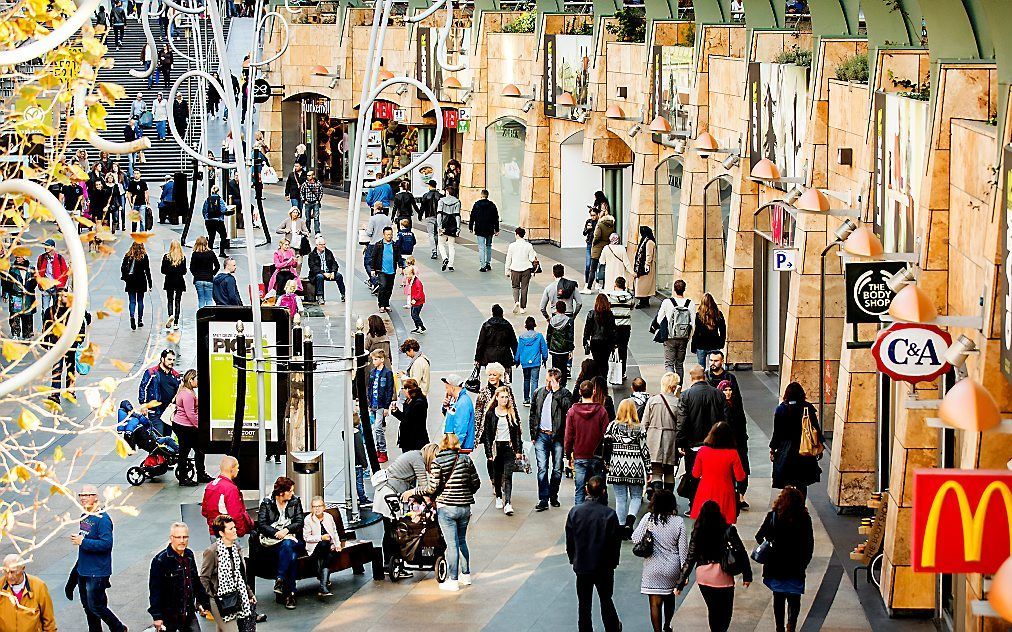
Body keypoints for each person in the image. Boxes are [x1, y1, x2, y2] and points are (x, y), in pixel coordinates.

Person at [408, 433, 481, 591]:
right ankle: (466, 575)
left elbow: (432, 488)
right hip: (464, 507)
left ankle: (453, 580)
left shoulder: (438, 462)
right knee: (462, 541)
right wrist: (465, 493)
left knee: (451, 544)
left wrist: (415, 491)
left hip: (446, 507)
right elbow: (476, 483)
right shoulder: (467, 460)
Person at [676, 500, 752, 632]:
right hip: (723, 575)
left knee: (713, 609)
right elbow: (741, 552)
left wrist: (680, 583)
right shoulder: (728, 529)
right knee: (725, 612)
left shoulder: (698, 531)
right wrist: (747, 575)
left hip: (703, 575)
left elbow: (691, 558)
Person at [565, 475, 622, 632]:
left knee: (584, 604)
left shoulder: (575, 512)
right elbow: (615, 543)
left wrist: (573, 559)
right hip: (604, 567)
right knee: (606, 600)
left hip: (582, 565)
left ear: (586, 490)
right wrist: (613, 563)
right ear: (603, 491)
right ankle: (613, 628)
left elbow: (570, 540)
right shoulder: (610, 514)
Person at [756, 486, 814, 632]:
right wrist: (804, 563)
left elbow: (759, 536)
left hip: (776, 565)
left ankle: (779, 627)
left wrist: (769, 543)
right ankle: (791, 626)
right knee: (794, 599)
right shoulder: (804, 519)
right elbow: (809, 544)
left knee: (778, 598)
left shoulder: (773, 516)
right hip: (796, 565)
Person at [71, 484, 127, 632]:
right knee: (88, 607)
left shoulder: (103, 519)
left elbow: (106, 544)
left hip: (97, 572)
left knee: (96, 605)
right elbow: (83, 545)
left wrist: (83, 542)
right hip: (84, 570)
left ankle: (118, 628)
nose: (83, 498)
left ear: (96, 497)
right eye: (81, 495)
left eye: (87, 495)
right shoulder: (84, 516)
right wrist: (73, 577)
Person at [631, 489, 687, 632]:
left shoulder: (649, 518)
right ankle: (667, 626)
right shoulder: (678, 522)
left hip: (652, 567)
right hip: (672, 568)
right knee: (669, 599)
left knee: (654, 604)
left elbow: (635, 538)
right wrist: (684, 573)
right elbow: (683, 549)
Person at [148, 522, 210, 632]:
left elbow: (195, 582)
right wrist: (157, 616)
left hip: (188, 613)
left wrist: (204, 602)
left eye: (185, 537)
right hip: (169, 616)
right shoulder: (161, 560)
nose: (182, 540)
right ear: (171, 538)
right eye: (178, 537)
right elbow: (155, 590)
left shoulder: (189, 555)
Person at [199, 515, 257, 631]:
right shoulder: (212, 552)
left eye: (234, 527)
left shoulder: (237, 548)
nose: (235, 530)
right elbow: (204, 578)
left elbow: (241, 575)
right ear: (221, 533)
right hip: (219, 600)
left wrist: (249, 593)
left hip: (236, 597)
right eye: (231, 529)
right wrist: (211, 596)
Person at [675, 367, 724, 502]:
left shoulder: (686, 395)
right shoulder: (718, 394)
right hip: (714, 444)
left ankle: (694, 503)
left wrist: (680, 442)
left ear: (691, 378)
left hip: (693, 444)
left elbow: (682, 421)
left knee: (693, 474)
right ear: (704, 377)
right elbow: (723, 419)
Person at [256, 477, 305, 609]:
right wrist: (276, 533)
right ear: (281, 492)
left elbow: (299, 522)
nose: (292, 494)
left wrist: (286, 530)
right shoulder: (267, 503)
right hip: (272, 540)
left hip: (291, 538)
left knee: (288, 544)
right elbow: (262, 524)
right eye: (290, 491)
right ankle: (291, 593)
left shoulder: (295, 501)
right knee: (292, 557)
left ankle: (280, 579)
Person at [604, 398, 650, 537]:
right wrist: (648, 469)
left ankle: (620, 525)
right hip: (635, 467)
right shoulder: (639, 428)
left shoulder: (612, 426)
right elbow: (644, 449)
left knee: (620, 498)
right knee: (636, 496)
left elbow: (606, 446)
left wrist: (607, 463)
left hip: (617, 466)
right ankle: (630, 522)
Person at [771, 382, 825, 498]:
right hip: (804, 452)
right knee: (802, 484)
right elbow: (816, 429)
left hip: (786, 452)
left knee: (787, 483)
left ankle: (788, 506)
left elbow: (777, 433)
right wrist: (819, 447)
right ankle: (801, 507)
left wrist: (772, 449)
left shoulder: (781, 410)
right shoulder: (808, 408)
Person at [529, 368, 571, 511]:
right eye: (547, 380)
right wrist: (533, 434)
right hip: (541, 434)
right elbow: (533, 413)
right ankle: (543, 498)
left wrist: (557, 392)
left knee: (557, 469)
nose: (548, 384)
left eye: (551, 381)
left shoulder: (565, 393)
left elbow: (568, 408)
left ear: (558, 380)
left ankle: (554, 495)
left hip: (557, 436)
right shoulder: (539, 393)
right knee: (542, 468)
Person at [691, 421, 746, 524]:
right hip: (725, 492)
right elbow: (740, 477)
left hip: (705, 491)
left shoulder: (702, 451)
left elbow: (695, 474)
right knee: (723, 524)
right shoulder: (733, 453)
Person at [481, 385, 523, 515]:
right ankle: (499, 496)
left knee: (508, 475)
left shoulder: (512, 413)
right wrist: (489, 453)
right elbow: (487, 434)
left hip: (508, 447)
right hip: (496, 447)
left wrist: (518, 450)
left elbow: (517, 433)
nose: (505, 400)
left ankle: (508, 502)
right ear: (497, 398)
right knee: (497, 474)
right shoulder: (490, 414)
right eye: (502, 397)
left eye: (506, 397)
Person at [565, 380, 609, 505]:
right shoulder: (601, 411)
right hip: (597, 455)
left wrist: (568, 454)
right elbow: (606, 435)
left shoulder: (573, 412)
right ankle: (600, 515)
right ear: (594, 392)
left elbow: (569, 435)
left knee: (579, 489)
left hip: (579, 454)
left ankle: (579, 516)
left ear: (580, 392)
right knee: (599, 488)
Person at [472, 362, 516, 480]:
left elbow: (513, 408)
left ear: (499, 376)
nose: (491, 377)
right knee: (490, 456)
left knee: (503, 456)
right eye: (490, 374)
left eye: (494, 375)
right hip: (488, 429)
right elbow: (478, 413)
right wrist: (476, 433)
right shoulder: (483, 392)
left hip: (504, 427)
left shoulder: (507, 390)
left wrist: (517, 427)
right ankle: (493, 480)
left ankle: (501, 477)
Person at [641, 372, 681, 492]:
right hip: (671, 439)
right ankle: (669, 502)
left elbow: (644, 423)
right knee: (669, 471)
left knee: (656, 471)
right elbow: (680, 424)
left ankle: (657, 501)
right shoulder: (678, 403)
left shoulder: (653, 400)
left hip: (653, 439)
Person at [650, 279, 696, 381]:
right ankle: (679, 387)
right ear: (684, 289)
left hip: (670, 337)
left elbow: (659, 319)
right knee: (679, 364)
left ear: (674, 289)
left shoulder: (667, 302)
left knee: (669, 363)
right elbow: (693, 323)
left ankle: (670, 385)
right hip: (683, 337)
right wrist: (688, 337)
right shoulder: (690, 303)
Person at [715, 375, 750, 509]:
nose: (728, 392)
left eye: (730, 389)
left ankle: (740, 496)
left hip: (739, 443)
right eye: (725, 390)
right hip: (725, 445)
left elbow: (742, 423)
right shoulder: (718, 406)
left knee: (743, 470)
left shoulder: (736, 405)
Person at [173, 369, 211, 485]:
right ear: (191, 380)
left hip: (182, 425)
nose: (199, 382)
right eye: (197, 379)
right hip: (185, 426)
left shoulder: (186, 391)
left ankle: (198, 474)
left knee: (195, 450)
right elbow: (191, 414)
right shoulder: (188, 394)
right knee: (187, 451)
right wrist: (200, 427)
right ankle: (185, 478)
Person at [201, 456, 255, 538]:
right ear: (232, 469)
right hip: (229, 535)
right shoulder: (230, 489)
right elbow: (236, 514)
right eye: (237, 468)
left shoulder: (210, 486)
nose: (238, 470)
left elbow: (205, 511)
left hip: (214, 532)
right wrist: (240, 532)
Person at [0, 554, 56, 632]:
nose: (9, 576)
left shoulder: (39, 586)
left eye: (13, 572)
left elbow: (49, 621)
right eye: (6, 571)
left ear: (23, 569)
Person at [303, 496, 342, 597]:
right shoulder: (308, 519)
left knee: (329, 555)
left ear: (324, 507)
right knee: (325, 545)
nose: (317, 509)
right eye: (314, 506)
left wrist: (337, 544)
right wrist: (321, 538)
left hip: (328, 547)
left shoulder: (328, 517)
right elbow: (306, 538)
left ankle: (323, 586)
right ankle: (323, 584)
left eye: (319, 506)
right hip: (314, 548)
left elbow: (334, 532)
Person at [139, 348, 180, 434]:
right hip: (156, 412)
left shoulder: (175, 375)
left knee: (167, 436)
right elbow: (143, 387)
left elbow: (178, 391)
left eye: (173, 360)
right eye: (169, 359)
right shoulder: (151, 372)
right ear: (162, 359)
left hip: (169, 411)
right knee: (159, 436)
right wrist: (143, 404)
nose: (171, 362)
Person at [366, 348, 395, 462]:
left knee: (378, 428)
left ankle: (383, 451)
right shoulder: (372, 372)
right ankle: (379, 450)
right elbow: (369, 387)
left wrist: (387, 407)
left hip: (381, 404)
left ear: (382, 359)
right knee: (376, 428)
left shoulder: (387, 373)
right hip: (373, 404)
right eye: (373, 359)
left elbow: (389, 390)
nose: (374, 361)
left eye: (376, 359)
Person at [474, 304, 518, 377]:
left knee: (492, 377)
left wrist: (477, 358)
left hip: (489, 357)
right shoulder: (507, 325)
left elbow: (481, 343)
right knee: (505, 379)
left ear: (493, 313)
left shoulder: (486, 325)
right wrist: (517, 357)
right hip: (505, 356)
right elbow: (514, 343)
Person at [3, 252, 37, 340]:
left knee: (28, 315)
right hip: (16, 295)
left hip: (28, 295)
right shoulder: (13, 269)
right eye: (17, 257)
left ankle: (27, 334)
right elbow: (8, 282)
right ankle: (15, 334)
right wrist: (6, 293)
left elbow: (35, 281)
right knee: (15, 314)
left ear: (24, 258)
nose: (17, 259)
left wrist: (29, 289)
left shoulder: (31, 268)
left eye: (20, 257)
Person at [515, 316, 549, 405]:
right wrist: (545, 359)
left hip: (525, 362)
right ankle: (534, 399)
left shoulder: (522, 337)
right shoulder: (539, 336)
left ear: (526, 326)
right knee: (534, 380)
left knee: (526, 379)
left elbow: (519, 349)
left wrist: (517, 360)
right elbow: (544, 349)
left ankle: (526, 399)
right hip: (535, 361)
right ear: (534, 325)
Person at [582, 293, 617, 379]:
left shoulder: (592, 314)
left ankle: (597, 380)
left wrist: (585, 340)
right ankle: (603, 379)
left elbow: (587, 329)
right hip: (607, 342)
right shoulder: (610, 314)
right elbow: (613, 330)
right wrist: (614, 343)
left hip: (595, 341)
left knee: (597, 362)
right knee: (605, 362)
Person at [390, 377, 429, 451]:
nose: (402, 391)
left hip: (415, 440)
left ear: (408, 389)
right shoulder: (409, 400)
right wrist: (395, 411)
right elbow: (405, 417)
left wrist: (397, 413)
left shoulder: (418, 403)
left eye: (403, 389)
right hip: (408, 439)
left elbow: (408, 420)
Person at [505, 227, 538, 313]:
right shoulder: (529, 245)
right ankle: (523, 307)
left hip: (515, 269)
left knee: (515, 287)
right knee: (524, 288)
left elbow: (508, 259)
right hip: (526, 269)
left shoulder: (512, 246)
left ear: (517, 234)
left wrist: (507, 270)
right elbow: (531, 258)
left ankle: (516, 302)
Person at [370, 226, 403, 312]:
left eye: (391, 234)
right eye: (387, 234)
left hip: (392, 270)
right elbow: (373, 257)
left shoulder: (395, 245)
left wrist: (401, 266)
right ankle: (381, 304)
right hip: (382, 270)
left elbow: (398, 256)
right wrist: (373, 269)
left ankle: (386, 304)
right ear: (383, 235)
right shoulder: (379, 245)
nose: (389, 236)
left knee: (389, 288)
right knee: (383, 286)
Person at [121, 241, 152, 330]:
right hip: (141, 281)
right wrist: (150, 283)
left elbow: (122, 268)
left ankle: (132, 317)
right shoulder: (144, 257)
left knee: (132, 301)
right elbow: (147, 271)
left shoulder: (128, 256)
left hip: (130, 281)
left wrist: (125, 277)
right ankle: (140, 320)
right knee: (140, 301)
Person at [586, 197, 616, 292]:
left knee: (592, 268)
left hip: (597, 248)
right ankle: (603, 285)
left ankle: (589, 286)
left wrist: (594, 243)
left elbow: (597, 236)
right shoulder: (611, 224)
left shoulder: (600, 224)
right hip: (606, 247)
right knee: (603, 267)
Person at [608, 277, 635, 379]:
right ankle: (622, 372)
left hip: (613, 327)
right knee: (623, 349)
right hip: (625, 327)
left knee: (611, 349)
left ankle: (613, 371)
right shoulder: (629, 297)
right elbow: (631, 307)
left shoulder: (609, 296)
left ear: (615, 285)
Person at [441, 375, 476, 452]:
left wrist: (454, 447)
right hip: (453, 444)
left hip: (458, 448)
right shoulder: (457, 400)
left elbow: (461, 427)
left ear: (452, 388)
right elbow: (451, 417)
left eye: (447, 388)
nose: (446, 391)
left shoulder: (462, 403)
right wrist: (445, 407)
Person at [691, 292, 727, 366]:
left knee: (701, 367)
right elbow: (723, 330)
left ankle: (703, 377)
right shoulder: (718, 314)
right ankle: (713, 377)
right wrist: (721, 343)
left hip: (701, 343)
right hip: (714, 343)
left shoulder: (699, 315)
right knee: (714, 365)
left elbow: (696, 332)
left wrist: (693, 345)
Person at [307, 235, 345, 304]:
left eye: (324, 244)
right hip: (318, 273)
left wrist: (333, 272)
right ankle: (320, 296)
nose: (323, 246)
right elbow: (313, 267)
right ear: (317, 245)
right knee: (320, 277)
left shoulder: (328, 252)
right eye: (321, 245)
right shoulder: (312, 254)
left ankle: (343, 294)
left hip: (329, 272)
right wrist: (323, 273)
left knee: (339, 276)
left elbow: (334, 263)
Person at [546, 300, 575, 387]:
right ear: (565, 309)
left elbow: (549, 335)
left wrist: (549, 346)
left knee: (555, 368)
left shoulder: (552, 321)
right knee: (563, 368)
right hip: (564, 349)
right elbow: (570, 336)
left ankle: (555, 384)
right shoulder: (569, 321)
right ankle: (563, 385)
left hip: (554, 349)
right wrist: (570, 349)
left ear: (556, 309)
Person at [469, 189, 500, 271]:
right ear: (487, 196)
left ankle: (482, 266)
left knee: (481, 247)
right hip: (489, 229)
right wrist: (496, 229)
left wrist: (470, 227)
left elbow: (472, 216)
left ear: (481, 195)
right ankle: (488, 263)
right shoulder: (492, 205)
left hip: (479, 229)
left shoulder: (476, 205)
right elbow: (496, 218)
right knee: (488, 246)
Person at [36, 239, 69, 311]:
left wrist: (61, 285)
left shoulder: (59, 258)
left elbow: (65, 273)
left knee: (56, 308)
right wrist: (40, 284)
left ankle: (54, 321)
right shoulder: (41, 258)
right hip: (46, 286)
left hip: (56, 287)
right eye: (45, 246)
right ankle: (45, 321)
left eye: (48, 246)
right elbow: (39, 271)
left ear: (53, 247)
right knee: (45, 309)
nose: (46, 247)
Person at [364, 202, 391, 288]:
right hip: (384, 244)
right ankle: (379, 280)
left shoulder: (373, 219)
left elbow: (369, 233)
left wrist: (365, 229)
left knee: (368, 263)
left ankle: (375, 281)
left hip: (373, 244)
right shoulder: (387, 219)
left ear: (375, 208)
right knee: (380, 263)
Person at [160, 239, 186, 330]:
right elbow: (184, 271)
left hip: (169, 280)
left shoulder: (166, 257)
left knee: (170, 299)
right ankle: (176, 322)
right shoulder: (182, 258)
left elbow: (163, 270)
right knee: (178, 301)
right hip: (179, 281)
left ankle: (170, 315)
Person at [191, 236, 220, 309]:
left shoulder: (195, 254)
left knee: (201, 300)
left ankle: (201, 317)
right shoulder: (211, 253)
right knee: (209, 299)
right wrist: (212, 273)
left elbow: (192, 268)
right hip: (209, 279)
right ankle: (209, 316)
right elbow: (217, 266)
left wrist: (196, 275)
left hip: (198, 279)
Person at [437, 186, 461, 271]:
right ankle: (450, 264)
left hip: (444, 224)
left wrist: (439, 226)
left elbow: (439, 214)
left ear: (447, 192)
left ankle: (444, 258)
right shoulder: (457, 202)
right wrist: (458, 228)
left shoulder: (441, 201)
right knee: (451, 245)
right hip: (453, 225)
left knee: (441, 243)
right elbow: (457, 215)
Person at [632, 225, 658, 308]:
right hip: (642, 267)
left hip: (646, 267)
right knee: (643, 284)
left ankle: (644, 301)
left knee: (644, 285)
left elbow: (649, 255)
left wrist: (647, 264)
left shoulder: (649, 242)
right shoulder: (645, 240)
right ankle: (644, 300)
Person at [202, 185, 228, 256]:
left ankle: (210, 252)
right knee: (223, 235)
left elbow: (204, 210)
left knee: (211, 236)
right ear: (218, 191)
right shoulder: (220, 200)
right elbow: (223, 209)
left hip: (209, 221)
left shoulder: (207, 199)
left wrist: (206, 218)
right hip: (218, 221)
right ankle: (221, 252)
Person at [419, 179, 442, 259]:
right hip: (438, 216)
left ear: (429, 186)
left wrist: (420, 215)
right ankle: (436, 248)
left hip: (429, 216)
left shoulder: (426, 195)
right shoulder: (440, 195)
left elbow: (422, 207)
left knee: (431, 234)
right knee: (436, 234)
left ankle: (434, 251)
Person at [300, 171, 324, 235]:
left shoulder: (318, 183)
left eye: (309, 175)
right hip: (308, 203)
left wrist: (318, 200)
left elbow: (321, 192)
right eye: (307, 175)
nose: (307, 177)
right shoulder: (305, 184)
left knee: (316, 218)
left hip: (315, 202)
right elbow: (301, 192)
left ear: (313, 176)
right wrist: (304, 200)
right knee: (307, 218)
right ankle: (308, 230)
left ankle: (317, 231)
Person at [404, 265, 425, 333]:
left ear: (411, 274)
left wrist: (415, 299)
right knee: (413, 314)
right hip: (415, 301)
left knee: (414, 314)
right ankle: (418, 327)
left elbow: (420, 292)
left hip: (418, 302)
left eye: (407, 274)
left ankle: (421, 326)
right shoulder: (411, 280)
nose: (406, 276)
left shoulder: (417, 282)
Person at [582, 207, 599, 290]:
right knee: (588, 264)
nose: (593, 217)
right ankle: (586, 282)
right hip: (589, 244)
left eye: (594, 215)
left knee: (595, 265)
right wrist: (587, 229)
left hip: (596, 245)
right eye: (591, 215)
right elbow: (584, 233)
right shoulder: (588, 221)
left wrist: (592, 228)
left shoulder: (599, 223)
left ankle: (597, 282)